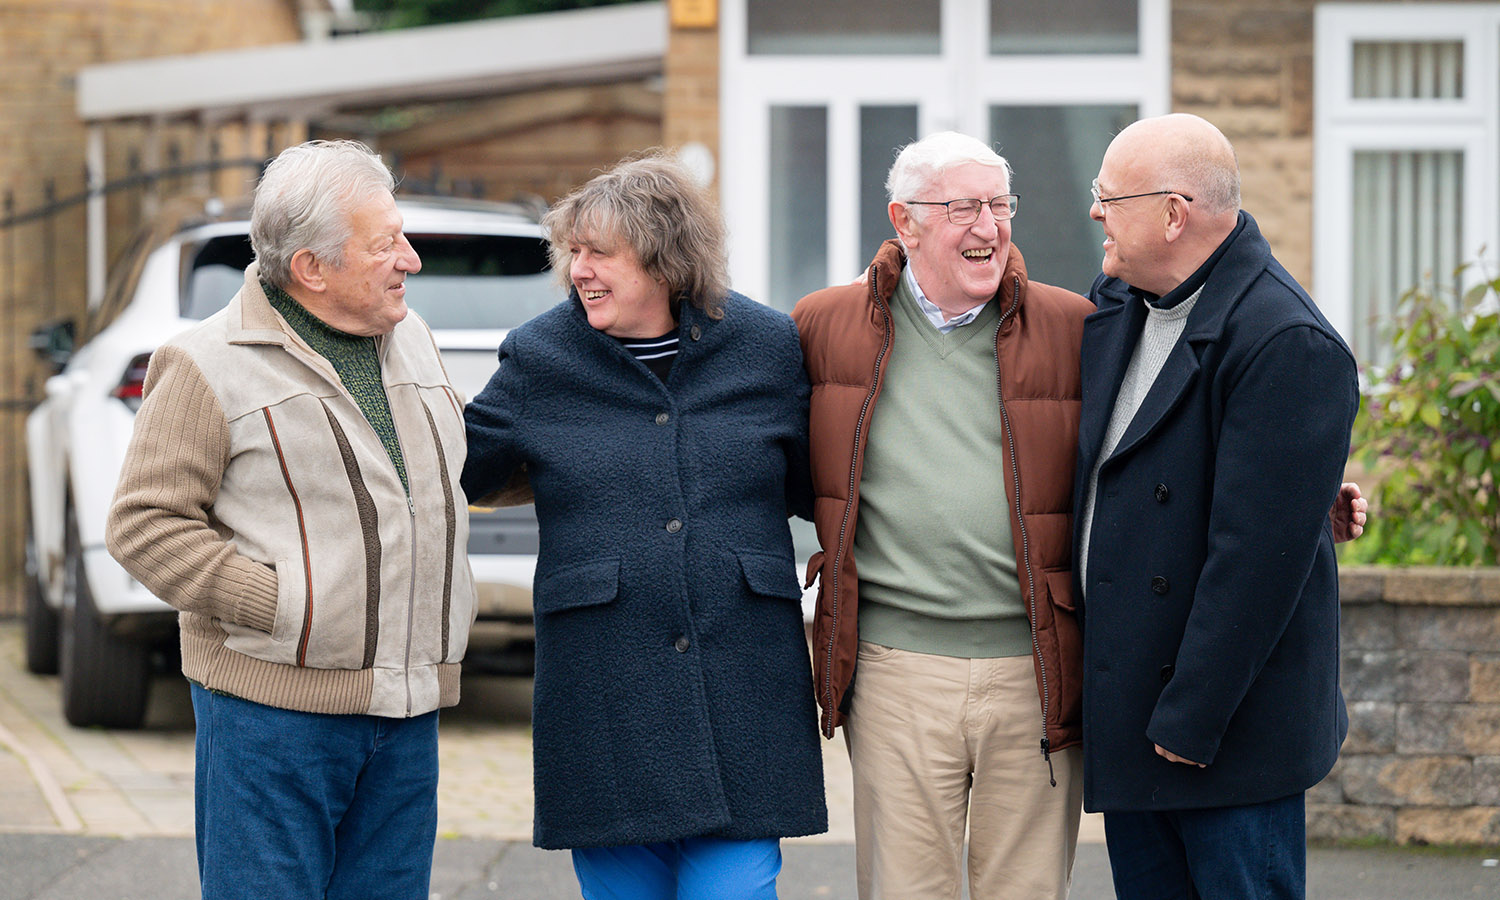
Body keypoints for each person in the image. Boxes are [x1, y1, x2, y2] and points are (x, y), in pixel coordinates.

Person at [106, 140, 476, 900]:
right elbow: (145, 523)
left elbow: (441, 475)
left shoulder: (414, 339)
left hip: (408, 713)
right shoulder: (206, 362)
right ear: (311, 267)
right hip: (273, 715)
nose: (409, 259)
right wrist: (284, 606)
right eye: (386, 244)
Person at [461, 152, 826, 900]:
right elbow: (460, 469)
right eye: (574, 252)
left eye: (599, 252)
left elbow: (814, 484)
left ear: (663, 258)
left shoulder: (766, 345)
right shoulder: (541, 356)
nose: (579, 269)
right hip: (604, 691)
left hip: (744, 681)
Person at [792, 131, 1092, 899]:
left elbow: (1160, 448)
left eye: (1000, 205)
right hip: (894, 671)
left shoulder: (1075, 327)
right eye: (964, 208)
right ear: (906, 220)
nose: (988, 228)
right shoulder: (823, 327)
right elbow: (760, 453)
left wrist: (1308, 502)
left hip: (1036, 668)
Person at [1074, 113, 1360, 900]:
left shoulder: (1286, 341)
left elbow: (1255, 565)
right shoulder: (1125, 301)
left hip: (1221, 732)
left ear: (1173, 213)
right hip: (1137, 710)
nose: (1094, 211)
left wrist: (1191, 722)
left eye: (1108, 196)